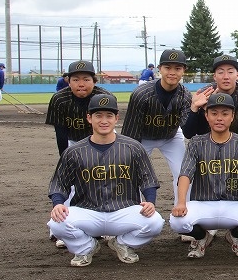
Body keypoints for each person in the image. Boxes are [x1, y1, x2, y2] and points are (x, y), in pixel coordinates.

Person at [47, 94, 164, 267]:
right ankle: (86, 247)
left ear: (116, 118)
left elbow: (148, 179)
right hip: (88, 212)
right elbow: (59, 183)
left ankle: (122, 243)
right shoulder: (74, 151)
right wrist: (58, 204)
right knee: (56, 224)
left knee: (155, 222)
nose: (104, 121)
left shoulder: (133, 147)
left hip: (124, 211)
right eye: (98, 115)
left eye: (109, 116)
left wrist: (150, 202)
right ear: (89, 118)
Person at [169, 93, 238, 259]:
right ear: (206, 116)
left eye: (225, 113)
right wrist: (181, 203)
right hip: (203, 204)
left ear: (232, 116)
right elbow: (185, 174)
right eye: (214, 113)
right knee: (177, 222)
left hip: (235, 204)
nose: (219, 118)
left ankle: (235, 236)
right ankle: (201, 237)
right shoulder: (196, 143)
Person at [44, 60, 112, 248]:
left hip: (100, 140)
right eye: (76, 79)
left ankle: (107, 225)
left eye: (86, 79)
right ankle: (61, 227)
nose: (81, 83)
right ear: (68, 81)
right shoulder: (59, 99)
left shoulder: (104, 97)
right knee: (68, 180)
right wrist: (66, 159)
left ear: (94, 81)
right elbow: (60, 133)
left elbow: (107, 127)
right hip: (72, 141)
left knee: (105, 178)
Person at [122, 49, 193, 203]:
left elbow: (188, 129)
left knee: (184, 173)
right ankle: (134, 208)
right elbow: (130, 132)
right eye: (167, 67)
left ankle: (183, 208)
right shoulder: (141, 94)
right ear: (159, 69)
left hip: (171, 136)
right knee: (130, 172)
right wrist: (130, 155)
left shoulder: (185, 95)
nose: (172, 72)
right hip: (143, 137)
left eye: (177, 68)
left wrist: (195, 110)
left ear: (183, 71)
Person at [182, 54, 238, 139]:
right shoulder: (205, 94)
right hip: (209, 142)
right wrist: (196, 108)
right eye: (221, 72)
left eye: (230, 72)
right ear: (214, 76)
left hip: (237, 142)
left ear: (237, 75)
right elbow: (190, 134)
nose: (226, 77)